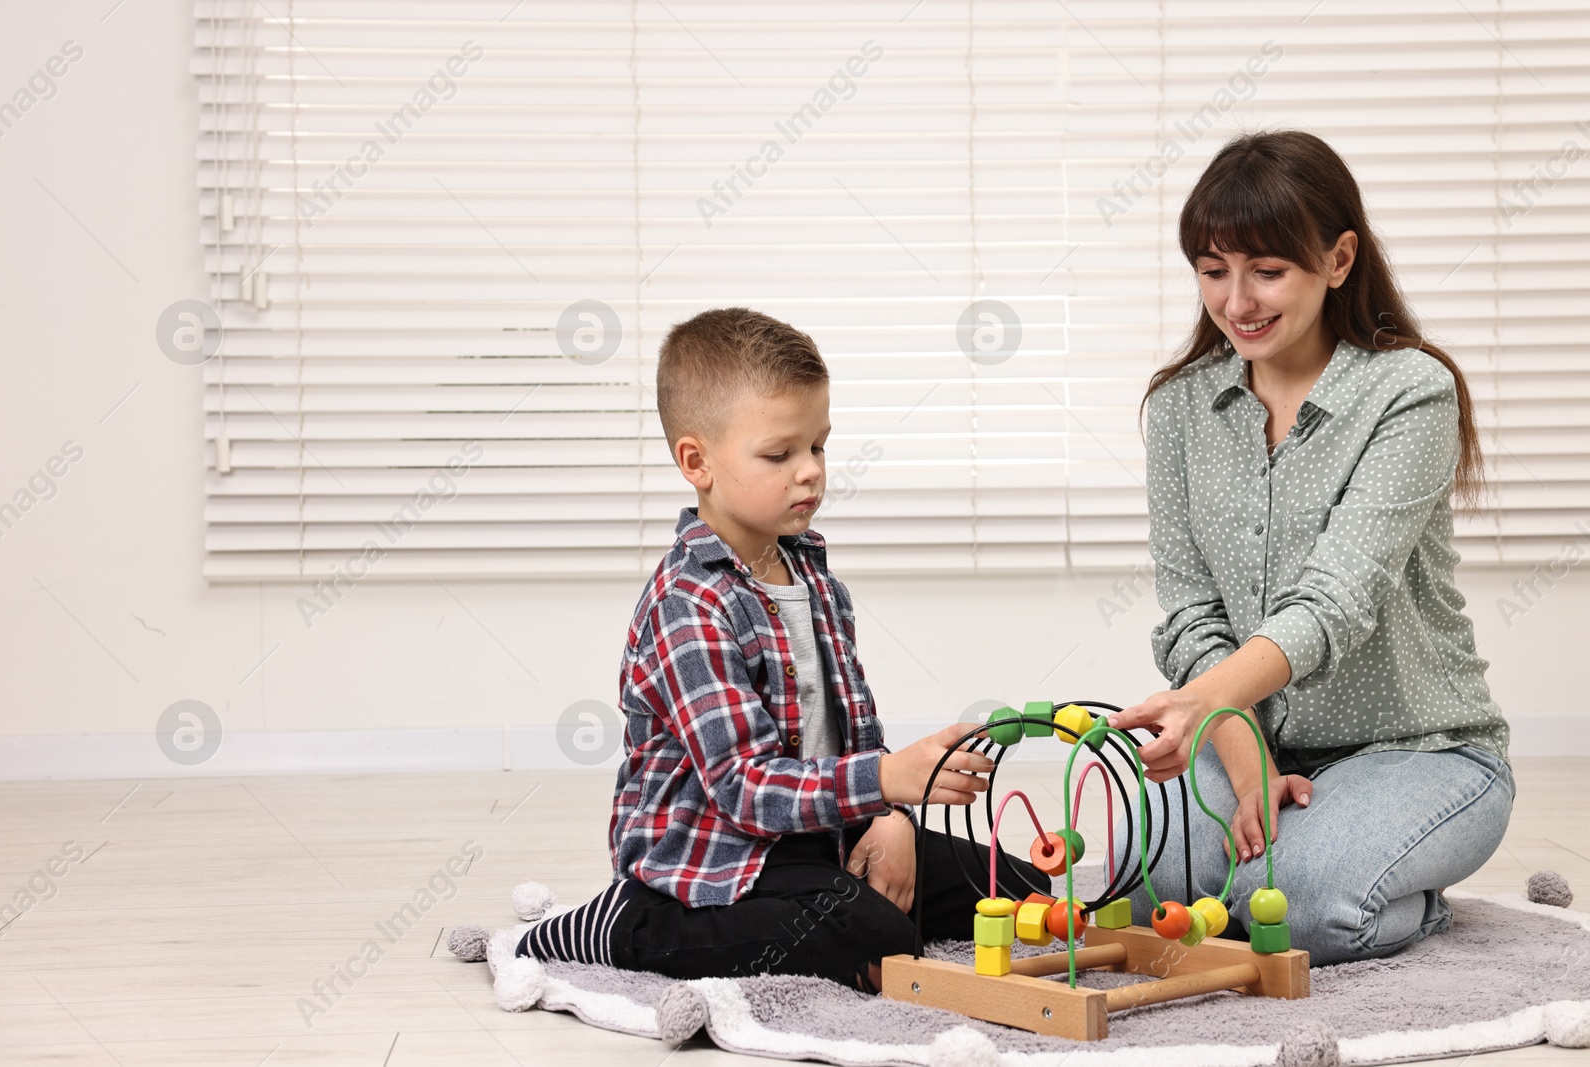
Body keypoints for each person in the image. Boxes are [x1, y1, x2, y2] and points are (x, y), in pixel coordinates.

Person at [515, 307, 1050, 990]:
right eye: (780, 454)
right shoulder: (690, 602)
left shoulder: (814, 577)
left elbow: (857, 733)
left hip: (815, 830)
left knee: (1018, 889)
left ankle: (833, 893)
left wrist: (890, 819)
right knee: (874, 935)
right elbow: (742, 788)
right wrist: (885, 779)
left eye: (818, 447)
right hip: (721, 848)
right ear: (696, 462)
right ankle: (630, 922)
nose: (810, 474)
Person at [1106, 130, 1513, 966]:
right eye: (1213, 269)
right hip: (1248, 734)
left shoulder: (1410, 392)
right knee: (1142, 891)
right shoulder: (1182, 407)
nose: (1236, 299)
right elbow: (1191, 611)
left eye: (1267, 269)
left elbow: (1336, 602)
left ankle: (1416, 899)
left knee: (1298, 911)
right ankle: (1325, 851)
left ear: (1337, 259)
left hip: (1424, 749)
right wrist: (1237, 738)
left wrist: (1202, 700)